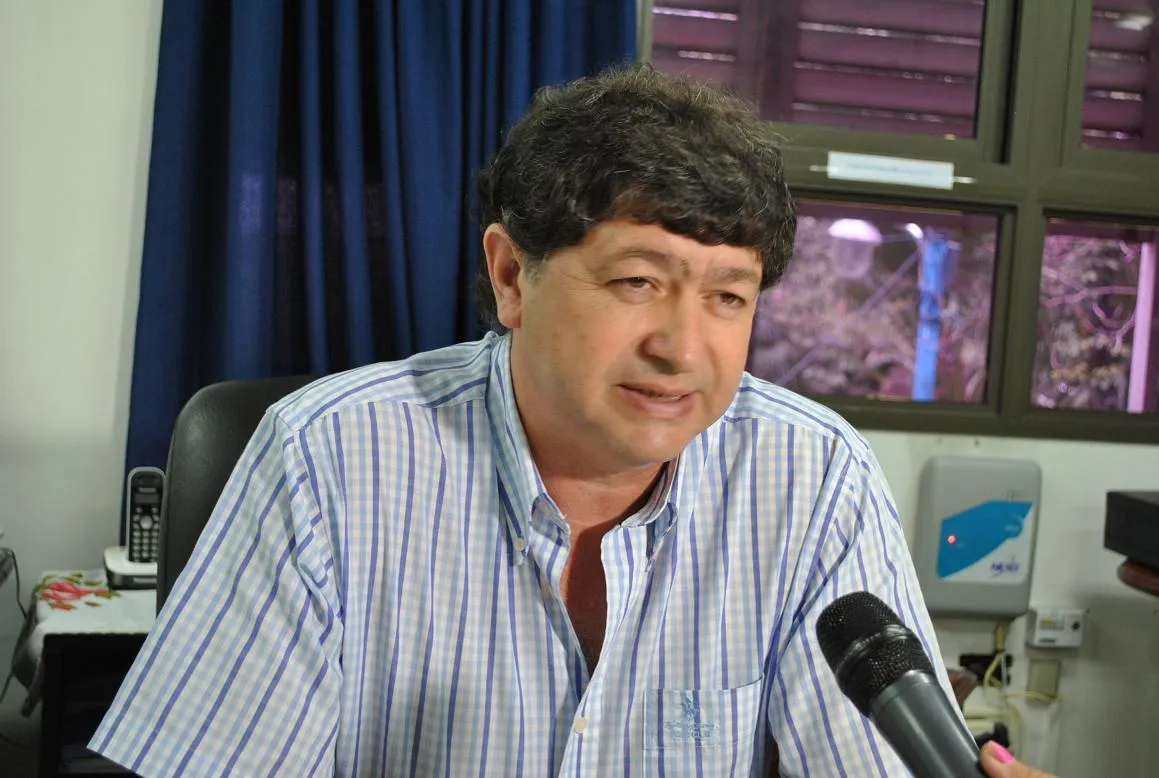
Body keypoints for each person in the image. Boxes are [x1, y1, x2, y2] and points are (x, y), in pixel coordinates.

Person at [89, 64, 1054, 777]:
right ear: (512, 275)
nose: (682, 348)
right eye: (637, 282)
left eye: (728, 297)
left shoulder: (813, 478)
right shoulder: (329, 458)